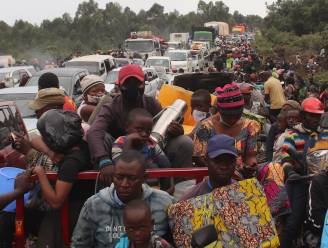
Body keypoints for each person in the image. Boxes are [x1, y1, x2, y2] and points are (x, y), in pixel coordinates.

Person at [87, 64, 192, 184]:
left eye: (138, 83)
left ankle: (177, 189)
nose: (133, 88)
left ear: (145, 83)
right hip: (117, 153)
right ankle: (107, 187)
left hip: (150, 149)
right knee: (102, 137)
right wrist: (103, 159)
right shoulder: (111, 106)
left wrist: (175, 130)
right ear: (119, 86)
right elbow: (94, 131)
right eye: (128, 84)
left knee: (184, 142)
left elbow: (163, 130)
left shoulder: (152, 103)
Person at [71, 150, 173, 247]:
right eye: (119, 178)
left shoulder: (164, 202)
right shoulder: (94, 205)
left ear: (144, 178)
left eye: (132, 178)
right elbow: (79, 245)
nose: (124, 184)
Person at [279, 97, 325, 247]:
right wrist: (291, 171)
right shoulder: (292, 135)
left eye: (318, 116)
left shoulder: (324, 135)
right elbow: (285, 158)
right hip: (301, 181)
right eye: (311, 115)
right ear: (303, 115)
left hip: (322, 183)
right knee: (293, 223)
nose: (315, 119)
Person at [192, 82, 260, 180]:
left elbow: (250, 156)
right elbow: (199, 158)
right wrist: (225, 172)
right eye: (228, 116)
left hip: (241, 178)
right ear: (219, 109)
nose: (232, 119)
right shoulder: (205, 127)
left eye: (237, 115)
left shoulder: (251, 126)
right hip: (213, 177)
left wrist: (251, 167)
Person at [112, 108, 171, 190]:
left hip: (148, 181)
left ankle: (165, 190)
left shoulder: (151, 143)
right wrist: (129, 142)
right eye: (139, 129)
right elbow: (121, 165)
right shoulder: (120, 142)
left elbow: (166, 164)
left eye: (148, 131)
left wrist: (170, 185)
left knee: (161, 161)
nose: (144, 134)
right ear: (127, 127)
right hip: (126, 182)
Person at [181, 134, 237, 200]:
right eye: (217, 160)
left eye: (229, 160)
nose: (223, 166)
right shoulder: (190, 200)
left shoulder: (245, 193)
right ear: (206, 161)